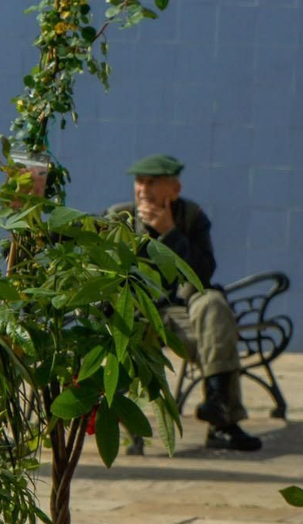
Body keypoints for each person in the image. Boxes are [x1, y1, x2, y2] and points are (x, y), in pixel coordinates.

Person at [108, 155, 261, 452]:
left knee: (214, 308)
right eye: (140, 182)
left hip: (180, 311)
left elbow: (203, 271)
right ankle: (131, 430)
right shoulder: (119, 218)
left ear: (174, 189)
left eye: (152, 183)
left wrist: (170, 233)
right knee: (127, 340)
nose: (143, 189)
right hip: (137, 314)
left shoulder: (191, 217)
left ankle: (220, 413)